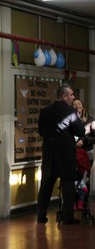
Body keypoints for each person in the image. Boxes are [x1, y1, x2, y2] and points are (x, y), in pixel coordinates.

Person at [37, 85, 85, 225]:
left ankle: (41, 215)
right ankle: (67, 217)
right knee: (67, 185)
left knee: (46, 184)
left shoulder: (45, 111)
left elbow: (41, 131)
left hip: (49, 154)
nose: (73, 97)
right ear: (64, 96)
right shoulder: (71, 112)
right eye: (71, 95)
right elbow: (80, 132)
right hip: (66, 154)